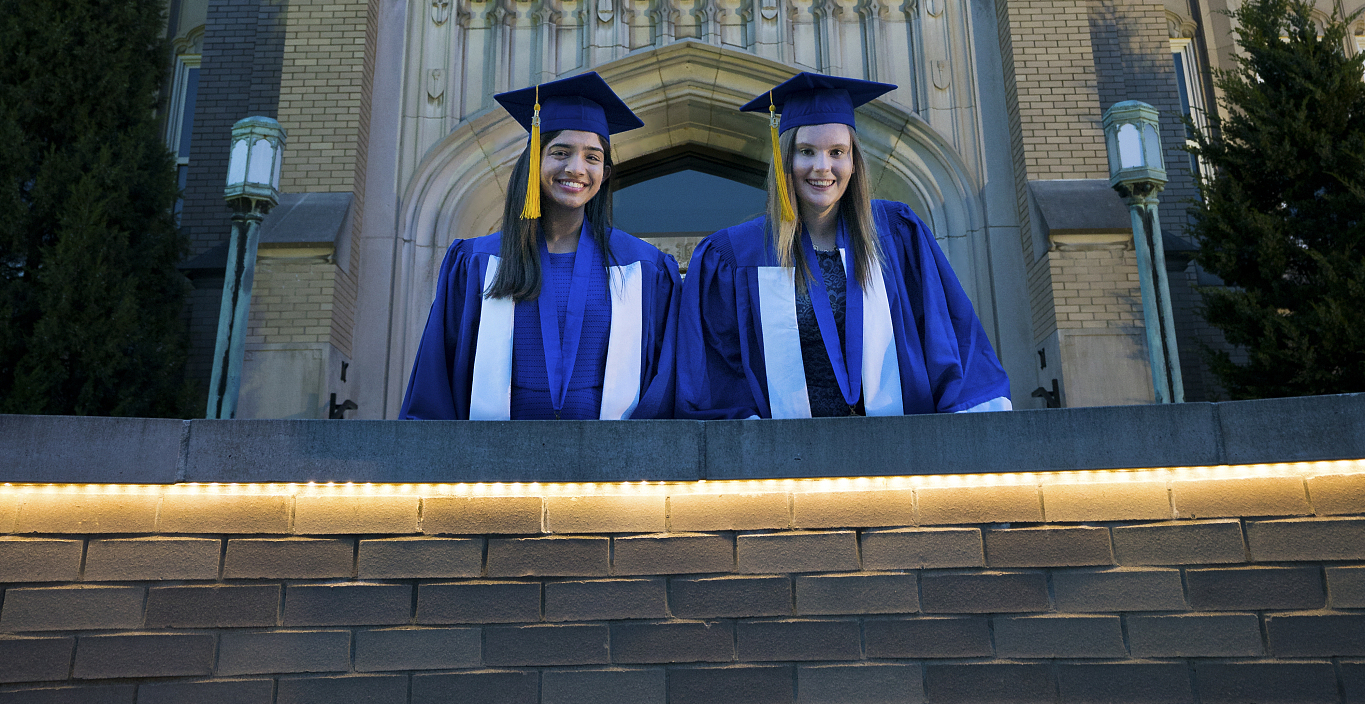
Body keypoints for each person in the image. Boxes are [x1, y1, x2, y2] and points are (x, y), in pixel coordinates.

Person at [676, 73, 1011, 419]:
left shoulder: (897, 235)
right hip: (785, 463)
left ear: (853, 163)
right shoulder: (735, 255)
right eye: (807, 151)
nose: (823, 167)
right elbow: (718, 376)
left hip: (898, 458)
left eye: (837, 152)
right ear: (785, 161)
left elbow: (946, 335)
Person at [400, 72, 680, 420]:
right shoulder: (477, 262)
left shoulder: (643, 266)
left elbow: (664, 382)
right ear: (535, 160)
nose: (576, 168)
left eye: (592, 157)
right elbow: (437, 376)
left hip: (610, 463)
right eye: (561, 152)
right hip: (494, 463)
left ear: (604, 174)